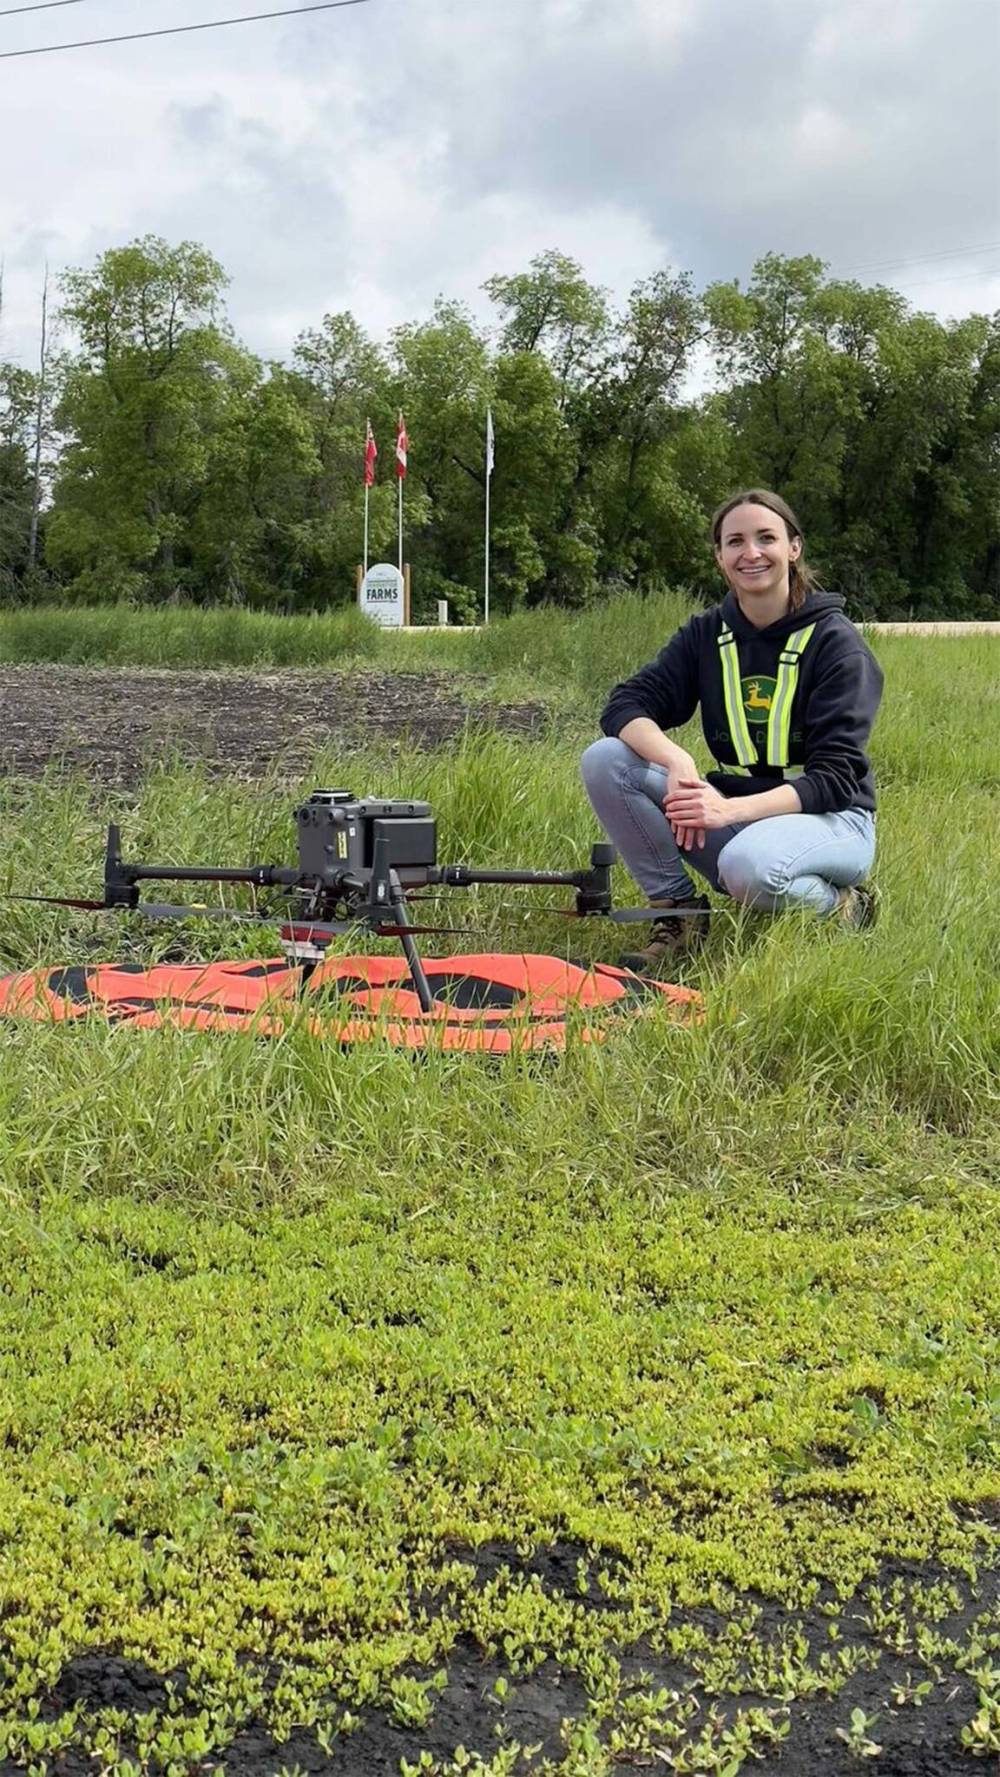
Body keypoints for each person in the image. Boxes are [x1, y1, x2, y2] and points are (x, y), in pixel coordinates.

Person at [581, 489, 884, 972]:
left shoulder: (837, 645)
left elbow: (833, 779)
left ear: (794, 548)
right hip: (735, 817)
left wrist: (727, 809)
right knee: (606, 760)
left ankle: (845, 907)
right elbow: (627, 703)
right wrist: (676, 761)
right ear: (720, 556)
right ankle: (679, 916)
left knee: (748, 868)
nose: (752, 552)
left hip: (835, 820)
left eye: (767, 537)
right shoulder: (707, 634)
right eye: (735, 541)